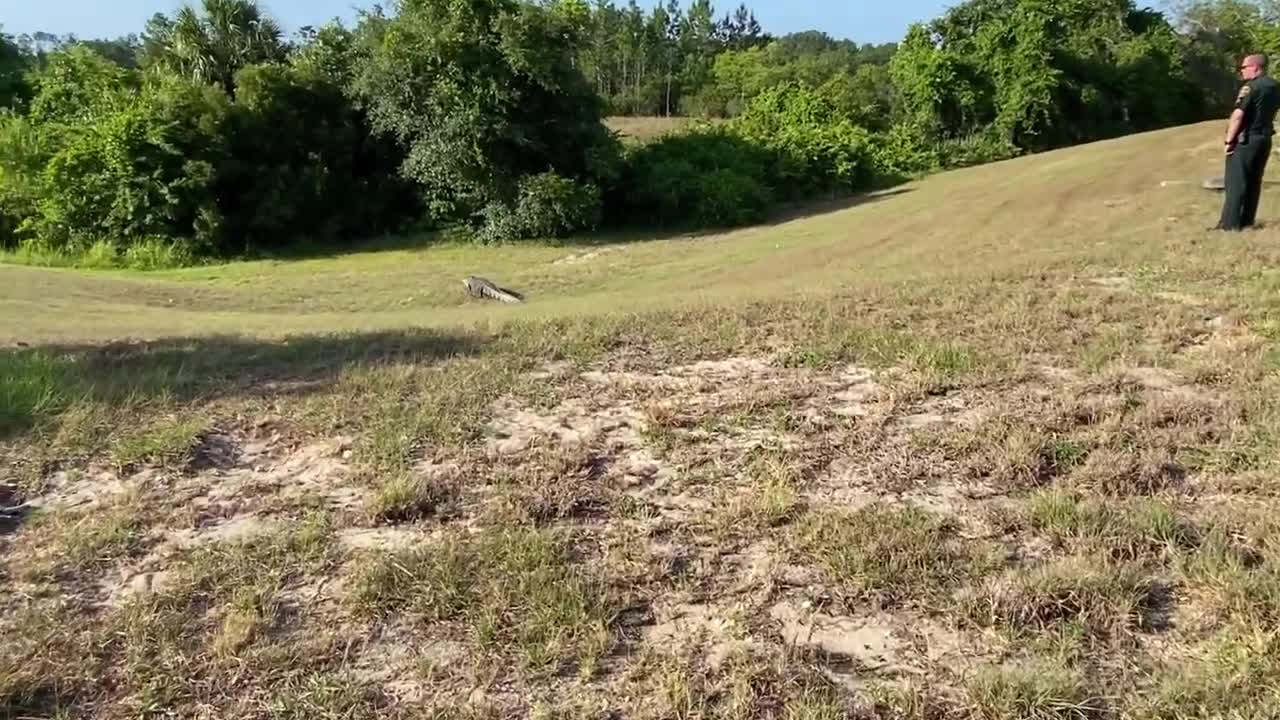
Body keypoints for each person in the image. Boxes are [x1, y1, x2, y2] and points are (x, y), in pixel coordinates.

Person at [1216, 53, 1280, 231]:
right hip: (1264, 138)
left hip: (1246, 140)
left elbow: (1238, 116)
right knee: (1254, 181)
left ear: (1255, 67)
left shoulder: (1250, 87)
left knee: (1236, 182)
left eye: (1244, 68)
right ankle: (1247, 221)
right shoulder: (1275, 86)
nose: (1241, 71)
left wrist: (1229, 141)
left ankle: (1230, 225)